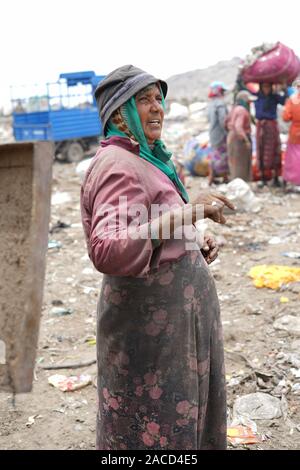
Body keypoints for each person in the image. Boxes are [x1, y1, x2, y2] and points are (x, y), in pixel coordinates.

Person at [80, 65, 235, 450]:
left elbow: (149, 223)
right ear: (119, 113)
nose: (158, 109)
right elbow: (107, 248)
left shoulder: (147, 159)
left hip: (177, 326)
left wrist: (191, 240)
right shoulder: (117, 164)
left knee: (178, 420)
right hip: (151, 333)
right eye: (145, 100)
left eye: (159, 99)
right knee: (152, 427)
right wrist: (186, 214)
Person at [253, 82, 288, 187]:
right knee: (261, 150)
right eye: (264, 86)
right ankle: (263, 178)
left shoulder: (275, 97)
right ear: (261, 87)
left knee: (275, 151)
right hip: (261, 127)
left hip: (272, 126)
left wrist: (285, 89)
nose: (266, 89)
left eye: (268, 86)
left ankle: (276, 178)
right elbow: (242, 88)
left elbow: (284, 101)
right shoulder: (256, 97)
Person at [227, 90, 256, 181]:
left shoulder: (234, 109)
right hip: (239, 141)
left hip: (232, 137)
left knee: (235, 165)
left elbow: (226, 123)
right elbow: (238, 127)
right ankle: (240, 187)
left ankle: (236, 185)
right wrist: (246, 140)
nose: (250, 103)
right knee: (241, 166)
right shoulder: (242, 111)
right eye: (248, 101)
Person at [207, 81, 230, 185]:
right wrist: (229, 129)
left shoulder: (210, 104)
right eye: (223, 91)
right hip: (221, 134)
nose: (224, 93)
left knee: (214, 155)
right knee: (223, 156)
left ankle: (211, 177)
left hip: (213, 133)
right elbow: (222, 120)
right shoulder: (220, 104)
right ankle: (225, 177)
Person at [282, 77, 300, 188]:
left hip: (295, 133)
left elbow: (285, 117)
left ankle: (295, 180)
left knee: (294, 157)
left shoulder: (292, 100)